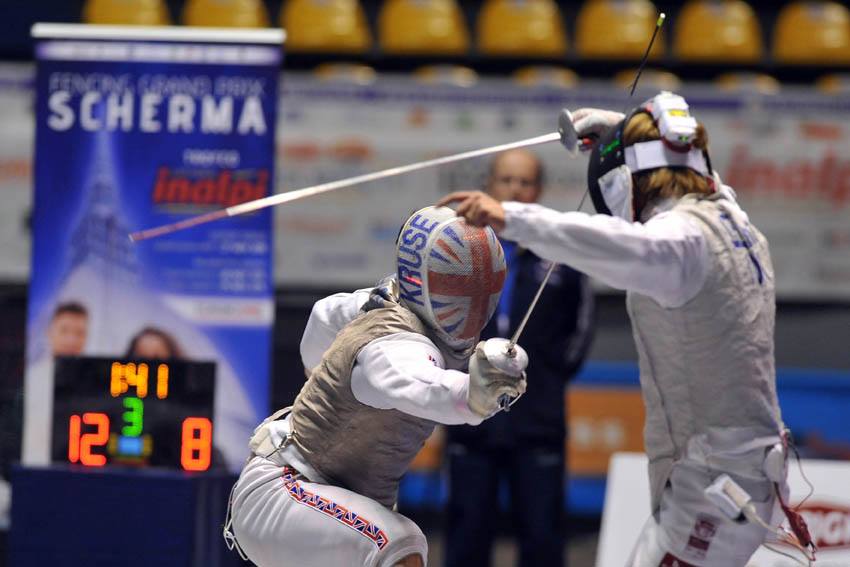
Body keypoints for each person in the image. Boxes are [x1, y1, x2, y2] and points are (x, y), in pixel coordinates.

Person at [439, 92, 809, 566]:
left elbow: (622, 246)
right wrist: (622, 129)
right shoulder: (733, 220)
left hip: (714, 488)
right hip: (731, 474)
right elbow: (699, 169)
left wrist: (512, 218)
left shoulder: (682, 242)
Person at [225, 206, 529, 567]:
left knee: (392, 541)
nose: (471, 305)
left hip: (326, 500)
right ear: (422, 282)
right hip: (287, 493)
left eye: (481, 290)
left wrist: (326, 379)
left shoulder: (377, 300)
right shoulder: (395, 344)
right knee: (398, 544)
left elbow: (324, 316)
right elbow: (419, 384)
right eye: (457, 286)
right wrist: (474, 396)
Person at [444, 149, 594, 567]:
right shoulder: (464, 248)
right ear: (490, 186)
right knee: (467, 530)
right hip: (469, 413)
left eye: (525, 182)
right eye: (507, 180)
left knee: (542, 533)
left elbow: (581, 328)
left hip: (538, 419)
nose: (515, 189)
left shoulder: (559, 253)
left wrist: (546, 378)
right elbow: (443, 323)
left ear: (539, 189)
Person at [22, 301, 89, 465]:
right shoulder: (32, 379)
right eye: (64, 330)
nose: (71, 339)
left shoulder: (94, 382)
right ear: (49, 332)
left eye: (79, 333)